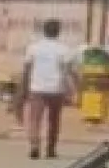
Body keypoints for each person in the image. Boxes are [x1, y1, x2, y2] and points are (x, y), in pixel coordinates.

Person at [19, 18, 77, 159]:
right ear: (58, 32)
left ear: (44, 31)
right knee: (54, 120)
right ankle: (51, 149)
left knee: (35, 119)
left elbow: (27, 69)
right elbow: (69, 71)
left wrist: (24, 87)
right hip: (56, 88)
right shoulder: (63, 49)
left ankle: (34, 146)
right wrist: (74, 86)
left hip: (37, 87)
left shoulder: (33, 48)